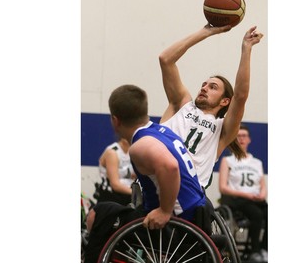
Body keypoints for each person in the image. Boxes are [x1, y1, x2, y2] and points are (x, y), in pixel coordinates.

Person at [83, 84, 209, 263]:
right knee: (115, 212)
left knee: (98, 214)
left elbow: (170, 166)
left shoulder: (140, 146)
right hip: (198, 215)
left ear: (115, 120)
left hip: (178, 227)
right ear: (145, 112)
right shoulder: (162, 132)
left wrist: (165, 211)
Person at [159, 24, 264, 190]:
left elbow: (241, 96)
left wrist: (246, 49)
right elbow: (166, 59)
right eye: (204, 84)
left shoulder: (222, 129)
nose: (204, 88)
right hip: (155, 180)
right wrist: (206, 32)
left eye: (212, 87)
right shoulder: (181, 104)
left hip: (186, 193)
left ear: (225, 101)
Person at [219, 124, 268, 262]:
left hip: (254, 199)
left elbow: (262, 185)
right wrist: (246, 195)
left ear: (249, 140)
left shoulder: (256, 162)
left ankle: (264, 250)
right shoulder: (228, 160)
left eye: (244, 136)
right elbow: (223, 187)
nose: (241, 139)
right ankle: (255, 252)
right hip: (237, 199)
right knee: (256, 214)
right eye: (238, 136)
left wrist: (263, 194)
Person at [93, 137, 136, 206]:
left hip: (127, 194)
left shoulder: (132, 151)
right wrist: (138, 194)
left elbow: (134, 176)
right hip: (111, 196)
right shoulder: (112, 152)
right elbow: (115, 185)